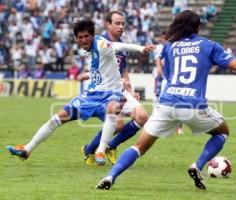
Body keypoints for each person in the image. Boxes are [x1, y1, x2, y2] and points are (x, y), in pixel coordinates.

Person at [96, 10, 236, 190]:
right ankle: (197, 165)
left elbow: (168, 76)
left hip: (166, 104)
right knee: (222, 132)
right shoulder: (208, 45)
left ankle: (110, 176)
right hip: (193, 105)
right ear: (198, 28)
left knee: (138, 147)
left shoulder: (169, 47)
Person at [6, 19, 154, 164]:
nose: (83, 40)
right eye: (80, 37)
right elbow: (103, 69)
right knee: (58, 117)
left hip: (111, 94)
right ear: (76, 38)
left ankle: (101, 151)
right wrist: (89, 74)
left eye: (86, 36)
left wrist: (140, 48)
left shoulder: (101, 43)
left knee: (114, 109)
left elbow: (118, 46)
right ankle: (27, 149)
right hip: (92, 95)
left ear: (93, 35)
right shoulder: (88, 50)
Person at [81, 11, 152, 166]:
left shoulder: (122, 46)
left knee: (142, 117)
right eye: (117, 23)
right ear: (108, 24)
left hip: (119, 89)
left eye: (122, 23)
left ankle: (111, 146)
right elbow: (92, 71)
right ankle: (89, 149)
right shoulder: (97, 42)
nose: (121, 27)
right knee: (118, 123)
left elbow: (123, 69)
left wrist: (131, 90)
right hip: (102, 91)